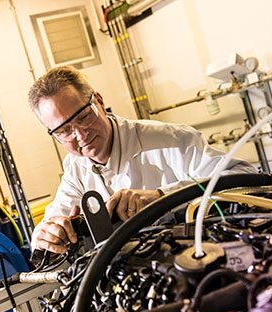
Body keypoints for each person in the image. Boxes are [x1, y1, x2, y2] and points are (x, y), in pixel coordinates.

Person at [28, 66, 255, 253]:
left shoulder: (169, 139)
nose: (80, 134)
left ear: (98, 101)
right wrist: (43, 234)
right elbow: (55, 218)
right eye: (64, 130)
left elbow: (245, 176)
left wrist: (162, 197)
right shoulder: (76, 168)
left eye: (84, 116)